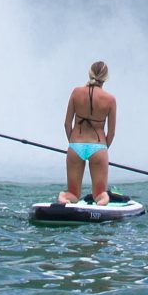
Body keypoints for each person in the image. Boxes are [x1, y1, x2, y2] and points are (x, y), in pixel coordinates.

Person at [59, 61, 117, 205]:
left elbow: (67, 123)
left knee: (72, 194)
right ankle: (102, 201)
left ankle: (63, 198)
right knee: (99, 194)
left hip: (75, 145)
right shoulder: (110, 100)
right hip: (98, 147)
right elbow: (111, 132)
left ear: (89, 73)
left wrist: (72, 143)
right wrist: (103, 149)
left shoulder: (76, 92)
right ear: (105, 78)